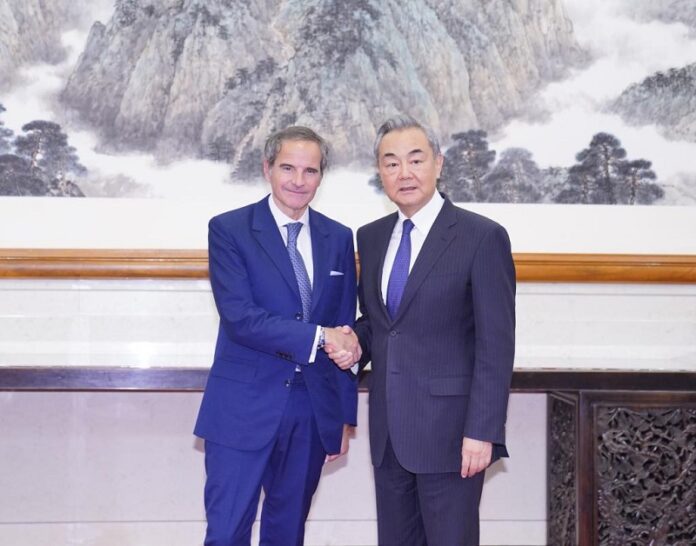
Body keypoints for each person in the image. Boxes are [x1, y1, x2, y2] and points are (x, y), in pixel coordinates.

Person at [350, 115, 516, 545]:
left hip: (452, 436)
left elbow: (496, 346)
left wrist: (483, 431)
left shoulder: (481, 237)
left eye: (416, 159)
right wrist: (352, 343)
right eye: (391, 163)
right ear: (380, 172)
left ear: (438, 164)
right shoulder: (370, 238)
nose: (404, 173)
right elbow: (380, 324)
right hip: (389, 435)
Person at [194, 126, 361, 546]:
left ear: (321, 176)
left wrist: (341, 418)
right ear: (267, 168)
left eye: (310, 171)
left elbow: (344, 325)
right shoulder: (230, 229)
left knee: (287, 534)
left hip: (310, 410)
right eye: (288, 168)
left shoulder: (339, 237)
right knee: (227, 532)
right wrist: (320, 336)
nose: (298, 181)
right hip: (241, 408)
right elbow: (241, 318)